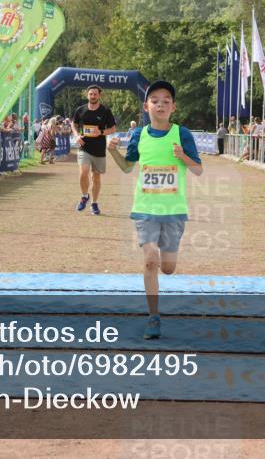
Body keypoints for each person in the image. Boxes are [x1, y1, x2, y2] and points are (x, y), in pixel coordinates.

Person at [106, 80, 202, 340]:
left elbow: (198, 169)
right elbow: (127, 167)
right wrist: (113, 152)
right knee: (150, 260)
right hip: (145, 208)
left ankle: (166, 262)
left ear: (173, 107)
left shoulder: (182, 134)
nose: (160, 104)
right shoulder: (139, 135)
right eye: (155, 100)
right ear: (146, 107)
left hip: (173, 210)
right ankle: (153, 317)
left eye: (166, 101)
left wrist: (182, 156)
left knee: (168, 267)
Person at [72, 85, 117, 215]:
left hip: (99, 149)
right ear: (87, 95)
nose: (93, 96)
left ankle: (94, 203)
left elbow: (113, 129)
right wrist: (76, 135)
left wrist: (101, 132)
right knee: (83, 172)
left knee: (96, 177)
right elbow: (73, 124)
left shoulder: (105, 111)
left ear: (99, 96)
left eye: (95, 94)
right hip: (84, 146)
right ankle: (84, 196)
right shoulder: (80, 110)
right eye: (91, 94)